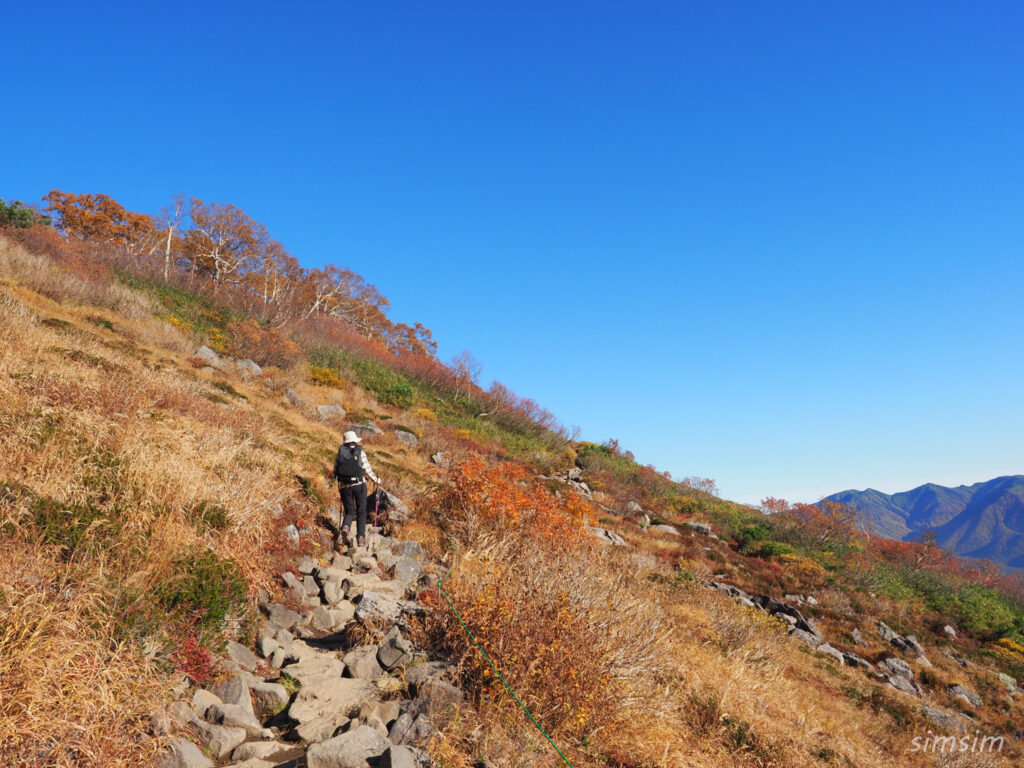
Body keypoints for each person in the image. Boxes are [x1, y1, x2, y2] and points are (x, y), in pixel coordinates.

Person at [333, 430, 382, 550]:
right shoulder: (359, 451)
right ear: (355, 440)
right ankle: (360, 538)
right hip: (359, 485)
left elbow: (335, 470)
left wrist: (339, 482)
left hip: (345, 487)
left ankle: (345, 527)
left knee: (349, 511)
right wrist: (376, 480)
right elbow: (366, 468)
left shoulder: (341, 452)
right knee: (361, 511)